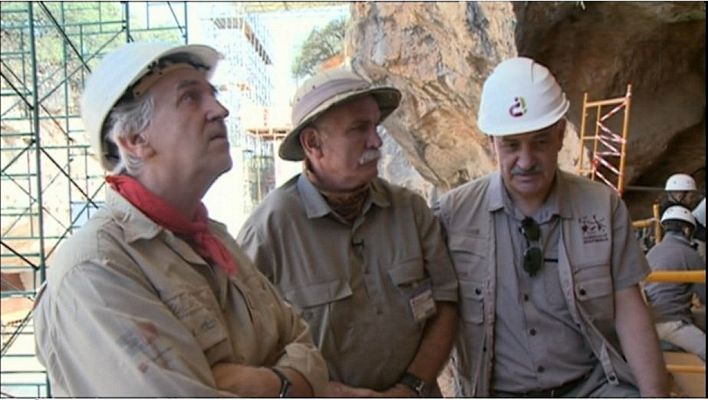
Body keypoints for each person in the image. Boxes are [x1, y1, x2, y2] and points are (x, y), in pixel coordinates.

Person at [32, 42, 327, 397]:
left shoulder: (211, 239)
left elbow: (304, 345)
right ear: (135, 139)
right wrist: (290, 382)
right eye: (190, 98)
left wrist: (265, 383)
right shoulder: (97, 268)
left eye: (212, 96)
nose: (220, 110)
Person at [435, 57, 669, 397]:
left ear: (561, 135)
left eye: (540, 142)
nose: (526, 161)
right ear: (491, 144)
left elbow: (629, 311)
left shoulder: (602, 207)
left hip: (593, 389)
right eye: (512, 145)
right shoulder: (452, 215)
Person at [237, 68, 458, 397]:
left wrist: (410, 388)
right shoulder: (268, 232)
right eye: (359, 129)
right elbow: (248, 352)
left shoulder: (409, 210)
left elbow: (445, 302)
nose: (376, 141)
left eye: (375, 126)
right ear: (313, 143)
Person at [644, 205, 705, 360]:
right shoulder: (690, 254)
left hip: (648, 321)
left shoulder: (653, 252)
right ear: (686, 230)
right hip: (671, 323)